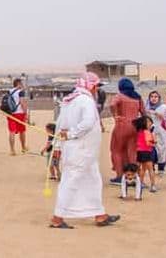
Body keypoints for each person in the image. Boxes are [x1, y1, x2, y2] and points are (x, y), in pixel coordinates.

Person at [50, 73, 120, 229]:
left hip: (84, 153)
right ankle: (57, 218)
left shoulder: (70, 100)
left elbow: (60, 123)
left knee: (93, 181)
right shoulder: (85, 101)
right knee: (71, 181)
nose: (97, 90)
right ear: (92, 86)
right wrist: (71, 134)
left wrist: (59, 144)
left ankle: (99, 214)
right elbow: (87, 123)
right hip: (80, 151)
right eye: (96, 86)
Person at [108, 78, 145, 184]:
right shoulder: (138, 97)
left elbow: (112, 104)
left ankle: (120, 176)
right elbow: (144, 112)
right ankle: (133, 176)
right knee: (132, 152)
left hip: (121, 125)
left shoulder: (119, 96)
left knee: (117, 151)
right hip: (135, 127)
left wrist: (115, 115)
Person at [145, 91, 166, 175]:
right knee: (151, 149)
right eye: (151, 96)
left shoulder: (163, 107)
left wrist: (158, 115)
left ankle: (161, 168)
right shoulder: (146, 107)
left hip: (162, 132)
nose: (153, 98)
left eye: (156, 97)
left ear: (159, 98)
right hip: (151, 132)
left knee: (162, 150)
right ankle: (152, 168)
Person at [133, 116, 157, 192]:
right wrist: (154, 142)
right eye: (149, 122)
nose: (150, 124)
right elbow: (148, 142)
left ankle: (140, 183)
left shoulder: (139, 131)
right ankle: (153, 185)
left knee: (142, 169)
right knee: (150, 169)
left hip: (139, 151)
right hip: (146, 152)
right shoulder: (147, 132)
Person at [6, 78, 29, 155]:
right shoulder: (21, 92)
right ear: (18, 84)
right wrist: (26, 113)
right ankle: (23, 147)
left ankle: (12, 150)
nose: (22, 85)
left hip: (10, 113)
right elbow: (22, 103)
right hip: (19, 113)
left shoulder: (9, 91)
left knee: (11, 131)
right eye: (21, 83)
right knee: (22, 131)